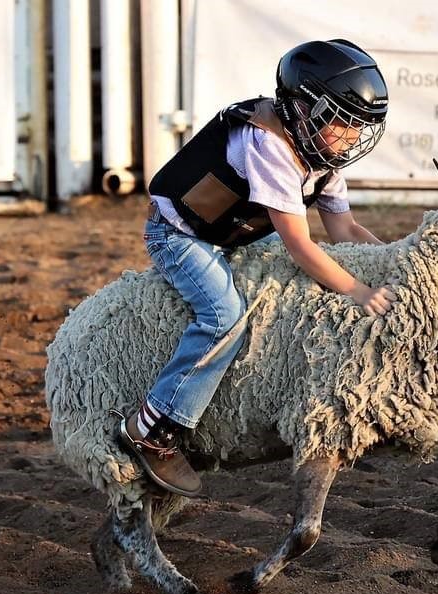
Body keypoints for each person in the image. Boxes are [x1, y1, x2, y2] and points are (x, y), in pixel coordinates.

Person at [115, 39, 395, 497]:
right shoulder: (268, 145)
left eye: (358, 126)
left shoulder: (322, 156)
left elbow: (344, 229)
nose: (350, 136)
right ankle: (152, 427)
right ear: (304, 110)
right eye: (341, 122)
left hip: (233, 233)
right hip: (180, 235)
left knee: (286, 292)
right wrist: (360, 292)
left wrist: (395, 263)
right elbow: (302, 246)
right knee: (225, 317)